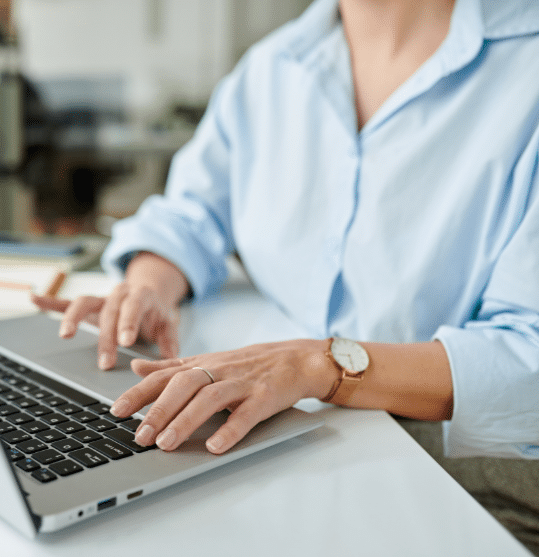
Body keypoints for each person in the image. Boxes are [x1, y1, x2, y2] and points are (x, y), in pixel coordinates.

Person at [33, 0, 539, 461]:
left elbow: (528, 364)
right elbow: (191, 215)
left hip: (463, 462)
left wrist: (317, 365)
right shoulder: (273, 66)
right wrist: (149, 289)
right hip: (292, 429)